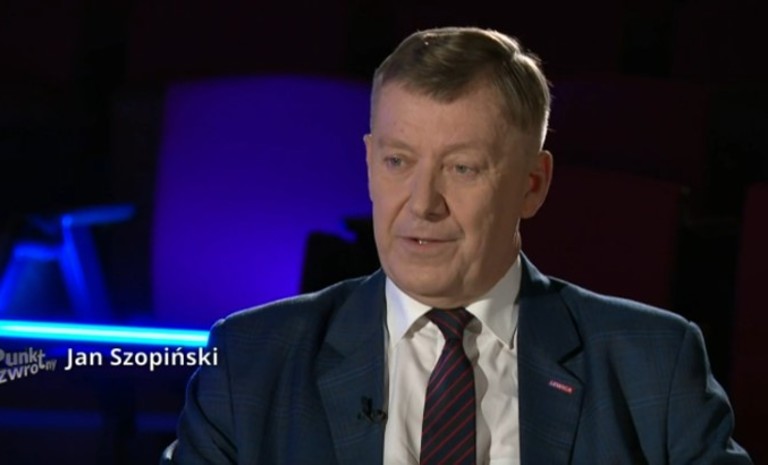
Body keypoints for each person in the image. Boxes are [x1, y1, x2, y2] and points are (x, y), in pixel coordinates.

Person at [164, 27, 752, 464]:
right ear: (369, 163)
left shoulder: (652, 364)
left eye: (462, 168)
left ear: (533, 184)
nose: (423, 203)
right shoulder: (250, 361)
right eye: (398, 162)